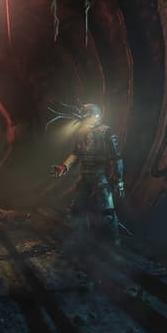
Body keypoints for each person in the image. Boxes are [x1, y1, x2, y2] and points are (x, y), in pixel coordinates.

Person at [50, 103, 125, 245]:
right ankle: (81, 240)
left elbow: (116, 157)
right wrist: (64, 166)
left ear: (95, 116)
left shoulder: (106, 131)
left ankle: (115, 243)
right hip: (84, 177)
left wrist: (119, 180)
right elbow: (76, 153)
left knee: (108, 214)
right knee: (77, 211)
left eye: (86, 115)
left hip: (99, 177)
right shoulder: (81, 132)